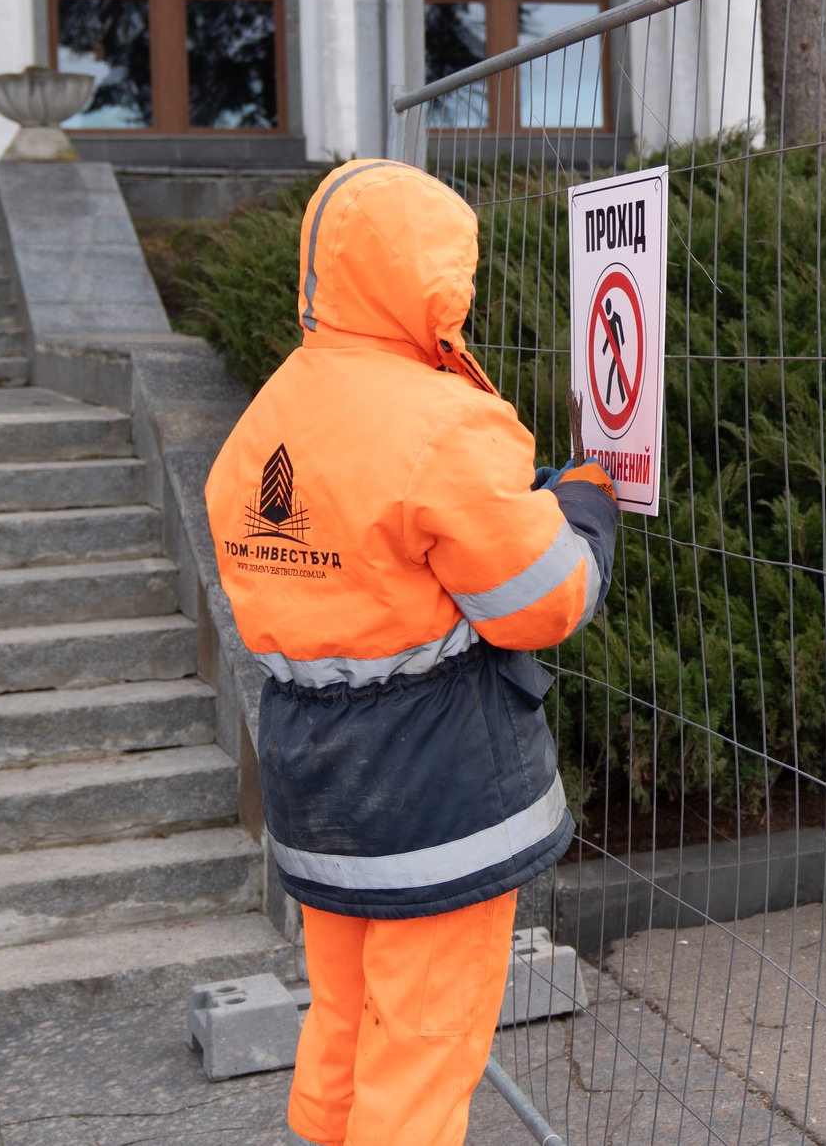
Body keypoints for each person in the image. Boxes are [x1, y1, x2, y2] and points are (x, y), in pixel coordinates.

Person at [204, 159, 619, 1146]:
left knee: (342, 1019)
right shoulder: (444, 421)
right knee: (424, 1042)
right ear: (433, 277)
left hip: (317, 782)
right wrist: (585, 510)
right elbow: (538, 600)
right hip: (430, 790)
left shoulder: (273, 411)